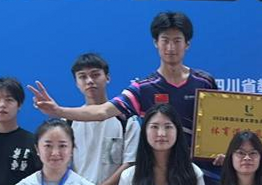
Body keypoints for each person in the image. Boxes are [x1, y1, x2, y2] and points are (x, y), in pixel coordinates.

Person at [28, 12, 216, 153]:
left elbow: (218, 125)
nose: (171, 47)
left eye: (177, 41)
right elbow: (102, 112)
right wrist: (58, 111)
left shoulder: (204, 82)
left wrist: (221, 150)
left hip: (200, 173)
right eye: (165, 40)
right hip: (158, 174)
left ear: (187, 44)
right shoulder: (143, 88)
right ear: (155, 43)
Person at [67, 53, 139, 185]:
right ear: (76, 83)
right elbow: (63, 164)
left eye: (95, 75)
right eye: (82, 77)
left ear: (107, 78)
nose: (89, 81)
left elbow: (130, 163)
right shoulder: (69, 122)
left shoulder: (126, 119)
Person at [117, 104, 205, 185]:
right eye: (154, 127)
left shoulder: (194, 173)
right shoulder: (129, 176)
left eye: (168, 127)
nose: (161, 133)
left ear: (177, 131)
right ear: (145, 132)